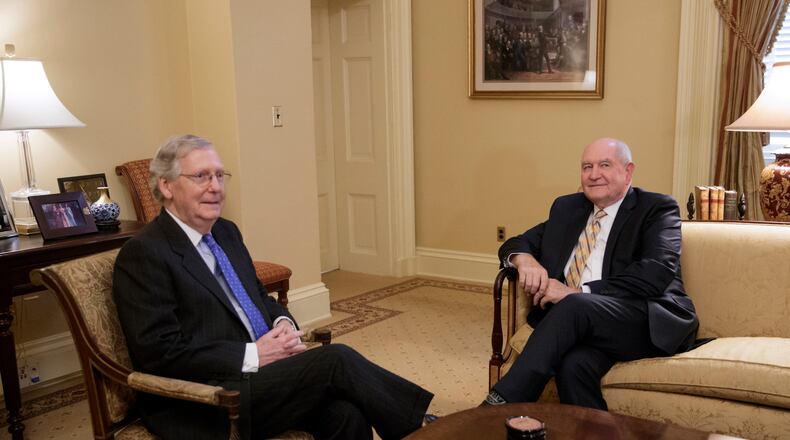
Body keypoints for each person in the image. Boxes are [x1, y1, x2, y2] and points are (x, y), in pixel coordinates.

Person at [113, 134, 434, 440]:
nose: (216, 187)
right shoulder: (145, 253)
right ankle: (425, 430)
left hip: (259, 375)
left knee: (346, 413)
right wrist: (254, 354)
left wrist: (282, 324)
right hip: (205, 395)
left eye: (220, 176)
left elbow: (257, 296)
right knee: (335, 360)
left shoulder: (226, 232)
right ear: (166, 186)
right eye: (201, 177)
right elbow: (160, 354)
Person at [483, 138, 698, 410]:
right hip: (586, 325)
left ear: (628, 171)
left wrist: (578, 292)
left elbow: (656, 272)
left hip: (644, 318)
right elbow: (517, 242)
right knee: (574, 366)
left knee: (575, 305)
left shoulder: (656, 208)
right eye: (587, 167)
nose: (594, 175)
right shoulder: (568, 208)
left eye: (604, 165)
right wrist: (525, 261)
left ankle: (496, 407)